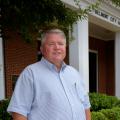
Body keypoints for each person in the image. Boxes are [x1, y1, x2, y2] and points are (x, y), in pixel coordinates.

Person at [7, 28, 91, 120]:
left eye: (60, 44)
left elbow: (85, 106)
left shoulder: (74, 73)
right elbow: (19, 112)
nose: (57, 47)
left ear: (65, 48)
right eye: (51, 44)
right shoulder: (30, 73)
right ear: (42, 49)